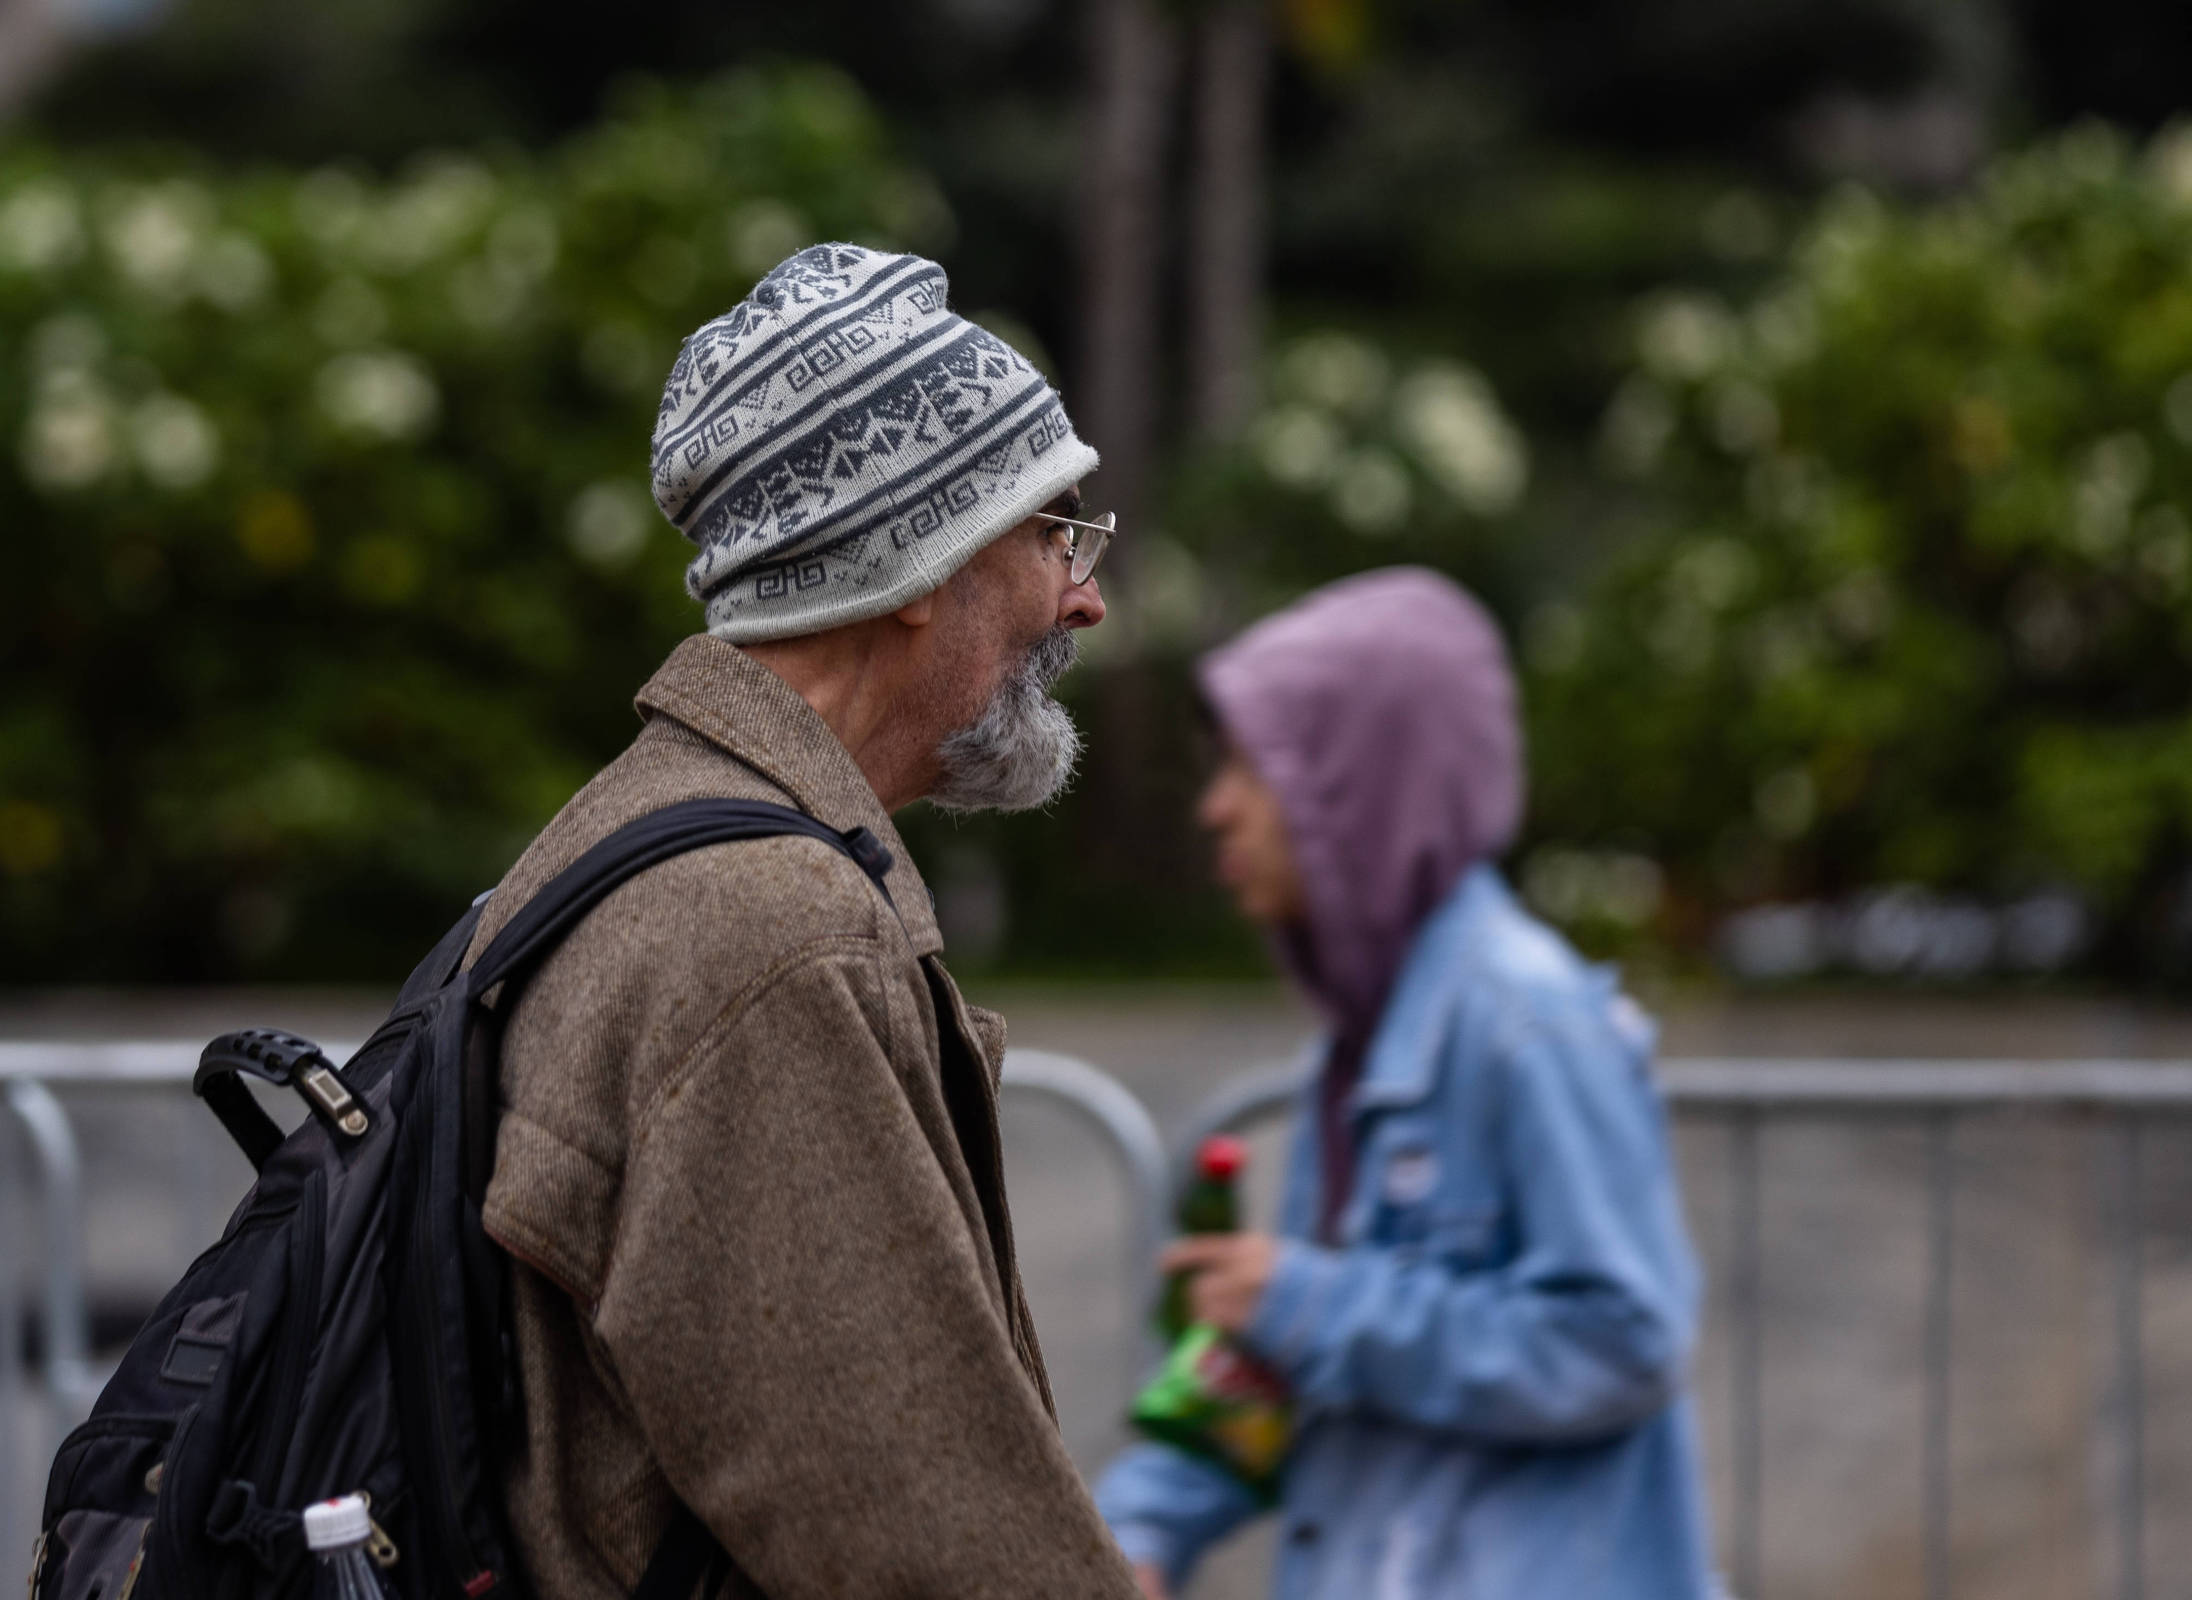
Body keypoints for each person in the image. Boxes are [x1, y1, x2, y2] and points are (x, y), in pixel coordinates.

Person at [465, 243, 1145, 1600]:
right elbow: (927, 1543)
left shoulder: (635, 832)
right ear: (915, 563)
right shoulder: (772, 936)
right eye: (1051, 529)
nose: (1086, 593)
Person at [1097, 569, 1713, 1600]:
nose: (1215, 809)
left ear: (1355, 785)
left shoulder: (1530, 1020)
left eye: (1253, 768)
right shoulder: (1358, 1049)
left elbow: (1625, 1340)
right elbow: (1295, 1376)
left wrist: (1307, 1302)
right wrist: (1142, 1524)